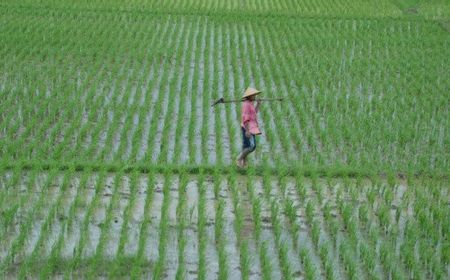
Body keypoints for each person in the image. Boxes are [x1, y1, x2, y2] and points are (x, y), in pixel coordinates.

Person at [236, 87, 262, 168]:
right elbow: (246, 119)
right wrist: (247, 131)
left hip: (252, 127)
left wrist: (258, 104)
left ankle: (244, 164)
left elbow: (254, 114)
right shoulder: (246, 105)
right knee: (252, 146)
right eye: (253, 95)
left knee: (246, 145)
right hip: (248, 128)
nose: (255, 96)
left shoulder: (250, 103)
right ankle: (239, 158)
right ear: (249, 96)